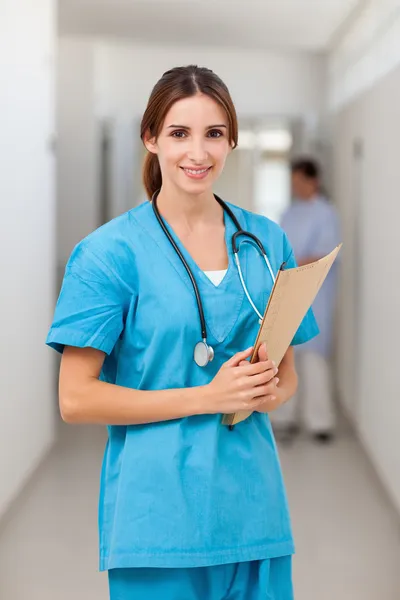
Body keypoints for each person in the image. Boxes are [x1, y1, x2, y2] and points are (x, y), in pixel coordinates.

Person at [46, 66, 319, 600]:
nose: (199, 152)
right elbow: (74, 399)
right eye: (179, 133)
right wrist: (207, 397)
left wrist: (265, 392)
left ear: (232, 140)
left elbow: (286, 380)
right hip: (157, 519)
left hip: (253, 510)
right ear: (150, 139)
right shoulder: (108, 253)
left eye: (214, 134)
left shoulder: (265, 242)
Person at [273, 158, 341, 444]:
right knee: (286, 356)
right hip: (288, 291)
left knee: (313, 358)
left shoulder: (326, 214)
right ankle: (284, 418)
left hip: (315, 294)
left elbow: (324, 252)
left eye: (299, 181)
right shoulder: (290, 212)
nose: (295, 186)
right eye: (293, 182)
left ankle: (319, 422)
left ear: (313, 180)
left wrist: (291, 265)